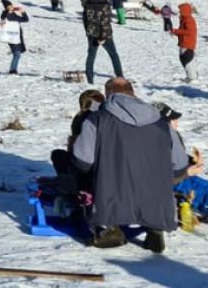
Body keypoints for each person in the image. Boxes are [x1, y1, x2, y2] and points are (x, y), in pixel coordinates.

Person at [72, 78, 189, 252]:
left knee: (90, 175)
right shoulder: (162, 123)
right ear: (132, 92)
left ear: (108, 93)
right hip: (156, 199)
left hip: (113, 195)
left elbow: (83, 160)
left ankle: (111, 227)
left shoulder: (96, 120)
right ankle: (154, 230)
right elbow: (180, 164)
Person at [84, 0, 124, 84]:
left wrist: (88, 31)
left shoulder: (88, 2)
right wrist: (102, 37)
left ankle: (90, 78)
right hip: (105, 35)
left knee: (91, 56)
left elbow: (85, 19)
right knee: (114, 55)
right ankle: (120, 77)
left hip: (91, 33)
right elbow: (105, 22)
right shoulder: (104, 4)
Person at [0, 0, 29, 74]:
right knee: (17, 54)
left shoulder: (13, 14)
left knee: (17, 54)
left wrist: (23, 12)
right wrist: (8, 11)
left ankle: (13, 69)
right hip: (11, 36)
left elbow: (26, 19)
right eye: (10, 6)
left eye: (12, 5)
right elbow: (3, 17)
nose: (12, 7)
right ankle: (13, 70)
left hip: (17, 36)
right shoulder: (5, 14)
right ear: (6, 7)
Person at [171, 2, 198, 82]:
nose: (180, 12)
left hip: (188, 44)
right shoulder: (184, 19)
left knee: (187, 60)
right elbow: (183, 32)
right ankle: (191, 76)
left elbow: (189, 31)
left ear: (185, 10)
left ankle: (192, 78)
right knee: (184, 59)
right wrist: (175, 32)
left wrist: (177, 31)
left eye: (181, 10)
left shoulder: (189, 19)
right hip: (184, 43)